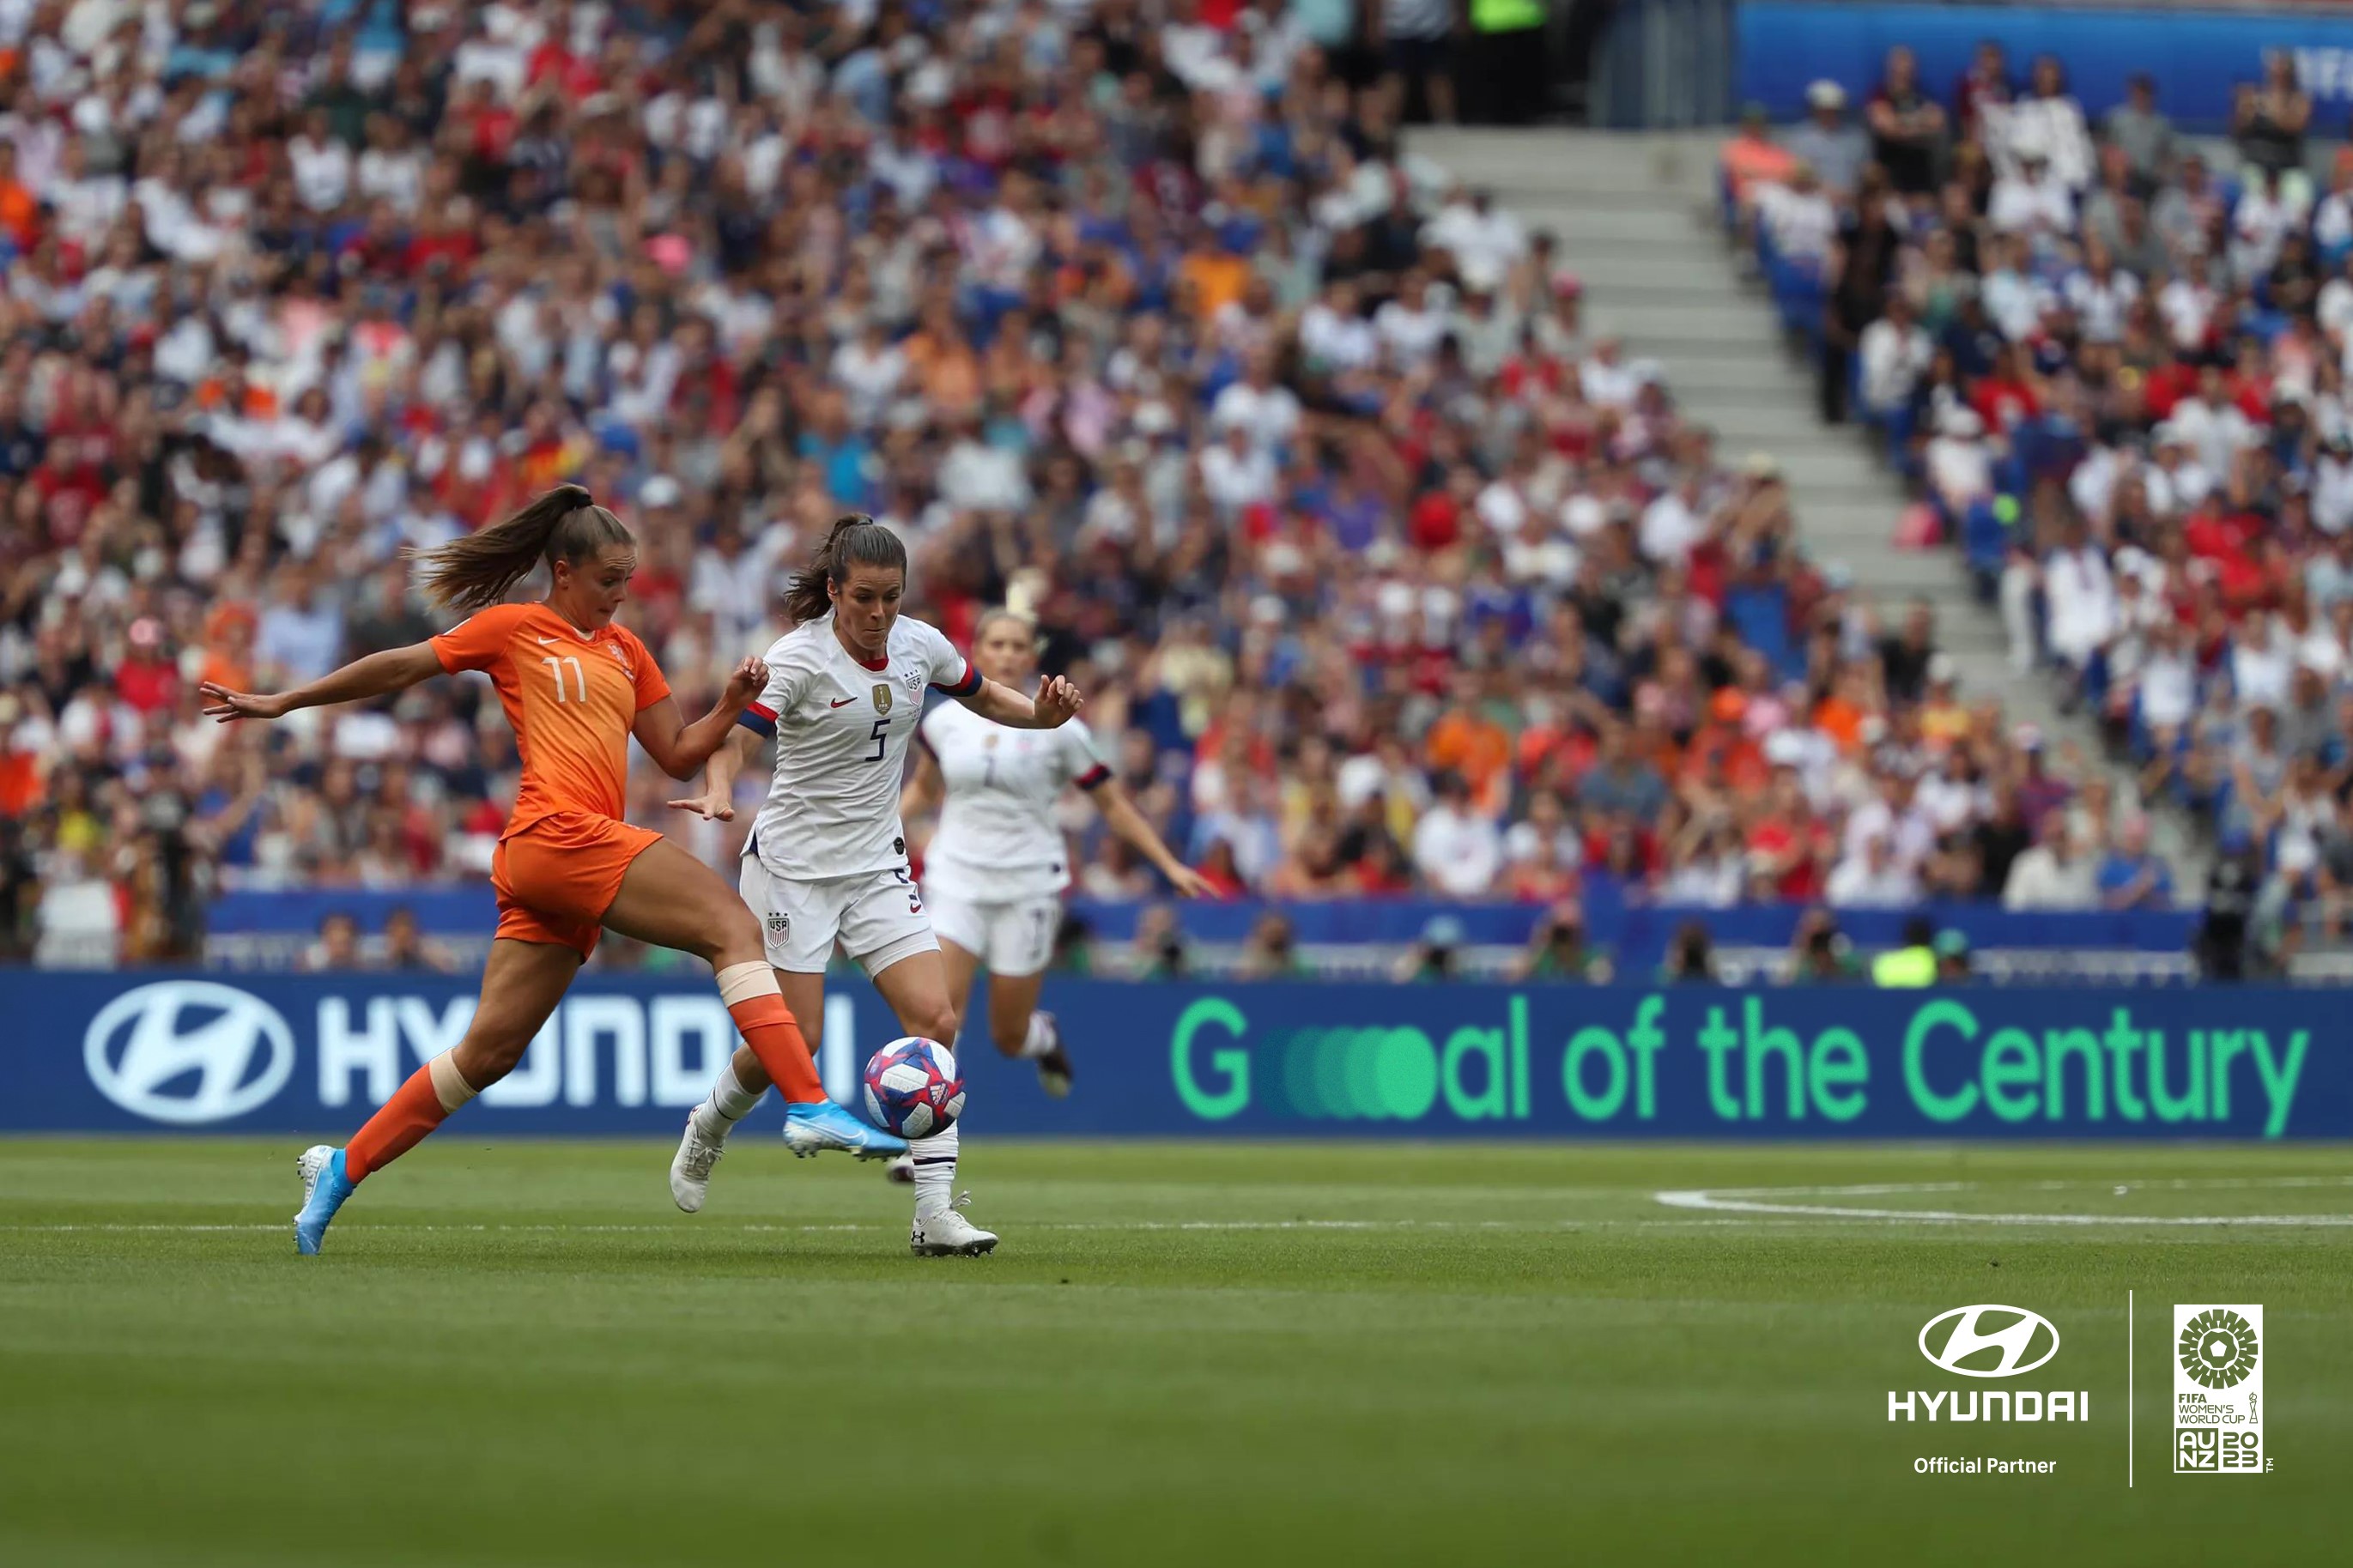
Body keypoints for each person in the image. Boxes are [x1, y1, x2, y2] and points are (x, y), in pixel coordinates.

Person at [200, 486, 895, 1256]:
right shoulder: (515, 628)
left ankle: (340, 1164)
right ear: (562, 572)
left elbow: (677, 753)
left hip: (561, 862)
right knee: (732, 926)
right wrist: (287, 700)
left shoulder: (627, 650)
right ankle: (806, 1101)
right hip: (558, 833)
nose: (620, 594)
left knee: (487, 1054)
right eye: (607, 580)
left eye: (628, 581)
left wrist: (732, 701)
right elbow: (404, 667)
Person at [664, 518, 1084, 1258]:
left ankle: (934, 1215)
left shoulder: (921, 644)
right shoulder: (799, 659)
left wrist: (1040, 717)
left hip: (876, 867)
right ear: (833, 591)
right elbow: (733, 737)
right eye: (864, 597)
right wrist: (721, 789)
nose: (880, 613)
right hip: (793, 870)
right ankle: (709, 1126)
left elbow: (984, 694)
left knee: (936, 1016)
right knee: (793, 1043)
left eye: (892, 597)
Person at [902, 606, 1210, 1099]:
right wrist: (875, 830)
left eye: (1017, 646)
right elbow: (922, 790)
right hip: (955, 878)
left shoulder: (1061, 729)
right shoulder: (944, 722)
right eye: (996, 644)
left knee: (1009, 1034)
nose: (1005, 655)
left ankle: (1041, 1036)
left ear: (1033, 656)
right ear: (976, 652)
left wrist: (1168, 862)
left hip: (1028, 887)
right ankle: (925, 1141)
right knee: (941, 1014)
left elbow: (1111, 804)